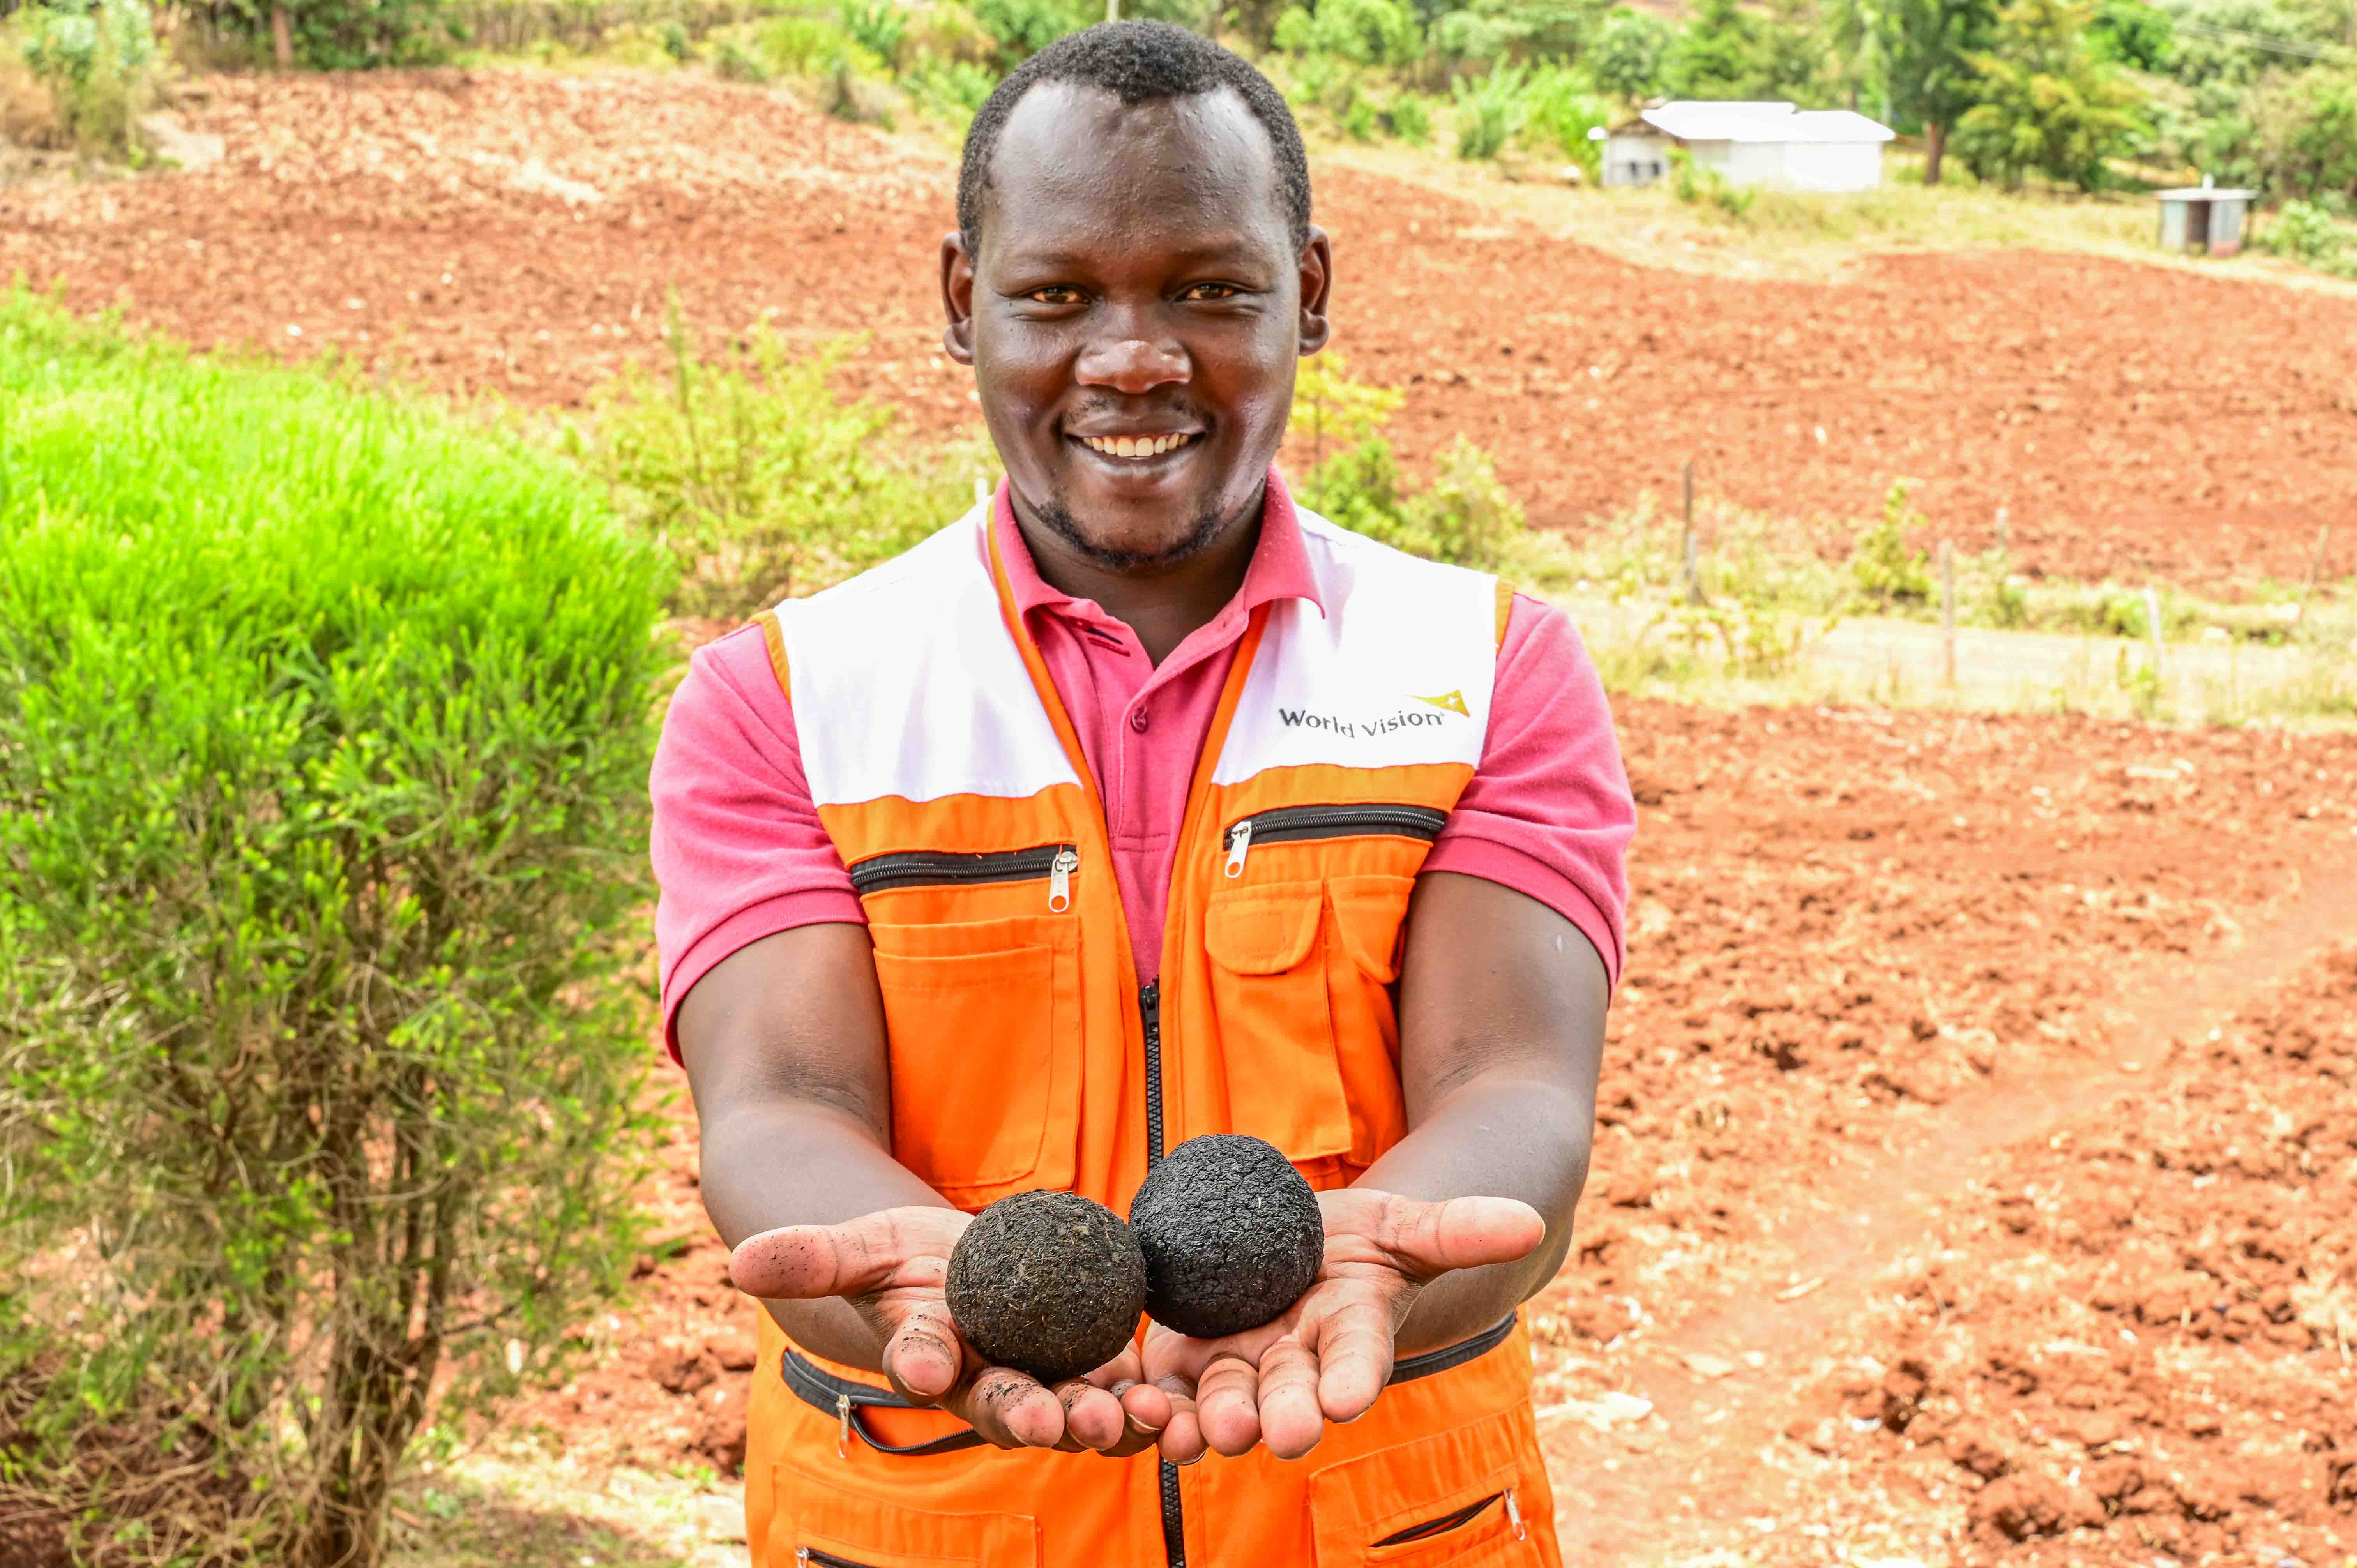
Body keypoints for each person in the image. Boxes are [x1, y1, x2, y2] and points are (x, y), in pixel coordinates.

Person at [650, 21, 1634, 1566]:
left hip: (1383, 1518)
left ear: (1307, 295)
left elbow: (1515, 1090)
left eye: (1209, 290)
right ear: (963, 303)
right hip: (929, 1522)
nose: (1132, 358)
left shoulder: (1486, 666)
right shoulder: (788, 697)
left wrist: (1356, 1266)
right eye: (1057, 295)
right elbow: (779, 1102)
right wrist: (946, 1284)